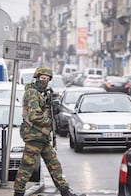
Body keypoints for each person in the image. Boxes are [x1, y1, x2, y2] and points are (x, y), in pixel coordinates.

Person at [14, 67, 84, 196]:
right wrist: (50, 121)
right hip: (34, 135)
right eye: (42, 78)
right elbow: (34, 116)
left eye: (46, 79)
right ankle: (18, 193)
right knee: (27, 167)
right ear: (37, 77)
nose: (44, 81)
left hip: (43, 136)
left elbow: (47, 110)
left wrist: (54, 110)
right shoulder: (32, 93)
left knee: (54, 164)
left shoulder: (44, 93)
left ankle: (65, 191)